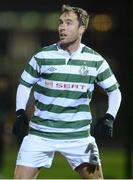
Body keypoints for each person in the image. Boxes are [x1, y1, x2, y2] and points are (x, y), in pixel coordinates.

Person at [12, 4, 122, 179]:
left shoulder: (95, 60)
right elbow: (24, 85)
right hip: (40, 134)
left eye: (68, 23)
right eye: (60, 22)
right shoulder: (42, 56)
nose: (62, 27)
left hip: (79, 137)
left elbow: (114, 91)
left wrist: (109, 117)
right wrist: (19, 113)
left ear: (81, 29)